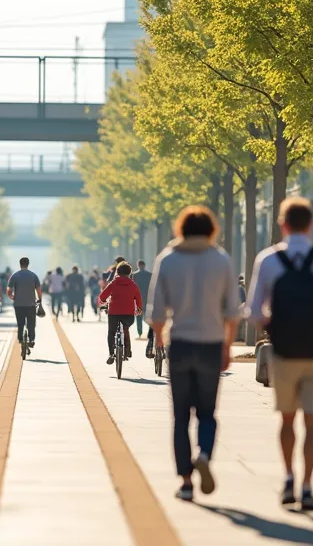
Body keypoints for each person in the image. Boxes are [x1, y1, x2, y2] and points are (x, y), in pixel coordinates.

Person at [248, 197, 313, 511]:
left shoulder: (268, 260)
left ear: (282, 224)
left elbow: (254, 312)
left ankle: (288, 479)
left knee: (286, 419)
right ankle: (308, 486)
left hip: (283, 351)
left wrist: (273, 320)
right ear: (310, 225)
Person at [147, 205, 242, 502]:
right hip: (212, 344)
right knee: (207, 413)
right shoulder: (221, 259)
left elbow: (156, 311)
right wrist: (227, 346)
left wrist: (159, 342)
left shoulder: (168, 259)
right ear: (211, 229)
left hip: (181, 343)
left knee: (180, 415)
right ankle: (204, 454)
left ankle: (186, 482)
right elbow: (232, 311)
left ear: (181, 228)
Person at [98, 262, 142, 365]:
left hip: (114, 313)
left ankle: (111, 354)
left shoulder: (113, 283)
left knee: (111, 333)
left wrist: (105, 302)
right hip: (129, 315)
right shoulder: (133, 285)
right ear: (130, 273)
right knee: (125, 328)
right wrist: (139, 309)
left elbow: (102, 297)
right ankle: (127, 349)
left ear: (117, 272)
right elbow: (138, 299)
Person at [7, 257, 43, 349]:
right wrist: (39, 299)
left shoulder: (15, 275)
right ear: (28, 264)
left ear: (20, 264)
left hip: (18, 304)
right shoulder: (33, 275)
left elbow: (9, 290)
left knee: (20, 323)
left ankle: (20, 339)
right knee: (31, 324)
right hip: (31, 304)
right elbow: (39, 289)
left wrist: (12, 297)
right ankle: (31, 340)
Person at [131, 260, 153, 340]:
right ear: (144, 265)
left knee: (139, 317)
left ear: (138, 265)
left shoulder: (134, 275)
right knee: (149, 317)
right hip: (148, 298)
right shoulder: (150, 275)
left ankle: (140, 333)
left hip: (137, 299)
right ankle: (150, 333)